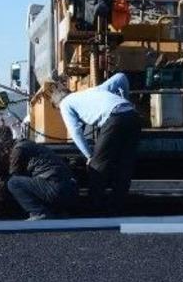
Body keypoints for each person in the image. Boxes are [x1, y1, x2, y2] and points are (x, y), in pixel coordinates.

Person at [53, 73, 141, 210]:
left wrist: (89, 156)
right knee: (124, 164)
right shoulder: (93, 90)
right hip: (133, 116)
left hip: (114, 119)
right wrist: (125, 100)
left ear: (57, 104)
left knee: (97, 166)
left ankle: (95, 206)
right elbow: (121, 77)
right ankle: (118, 205)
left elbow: (75, 132)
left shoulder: (65, 104)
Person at [0, 127, 78, 220]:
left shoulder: (18, 150)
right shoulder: (28, 144)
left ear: (5, 150)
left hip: (55, 188)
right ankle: (56, 212)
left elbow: (13, 177)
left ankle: (38, 212)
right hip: (69, 189)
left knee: (13, 183)